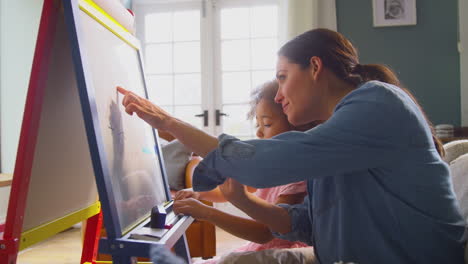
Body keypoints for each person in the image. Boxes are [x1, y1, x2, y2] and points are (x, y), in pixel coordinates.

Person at [117, 28, 466, 264]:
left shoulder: (377, 103)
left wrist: (169, 123)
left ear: (315, 67)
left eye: (283, 77)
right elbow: (303, 223)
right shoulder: (336, 133)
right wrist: (238, 196)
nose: (279, 95)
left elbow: (264, 163)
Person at [172, 81, 314, 263]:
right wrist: (199, 194)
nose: (260, 134)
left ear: (298, 128)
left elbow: (263, 232)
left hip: (279, 256)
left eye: (267, 124)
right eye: (258, 125)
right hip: (258, 249)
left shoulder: (299, 179)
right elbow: (228, 191)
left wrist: (207, 213)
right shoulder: (268, 166)